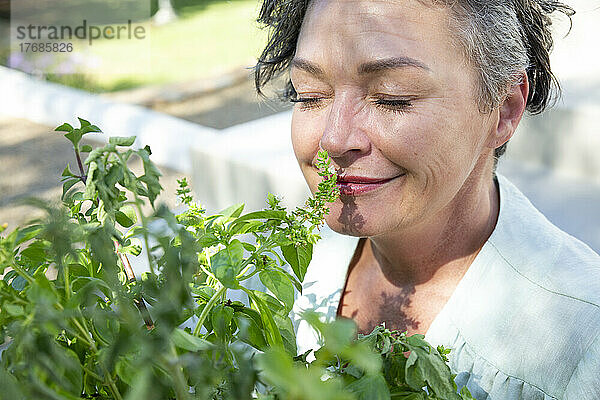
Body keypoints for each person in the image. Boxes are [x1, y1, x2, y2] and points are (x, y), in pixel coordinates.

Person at [254, 0, 600, 399]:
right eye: (310, 94)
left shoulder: (582, 342)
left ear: (503, 110)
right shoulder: (281, 266)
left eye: (391, 97)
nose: (334, 139)